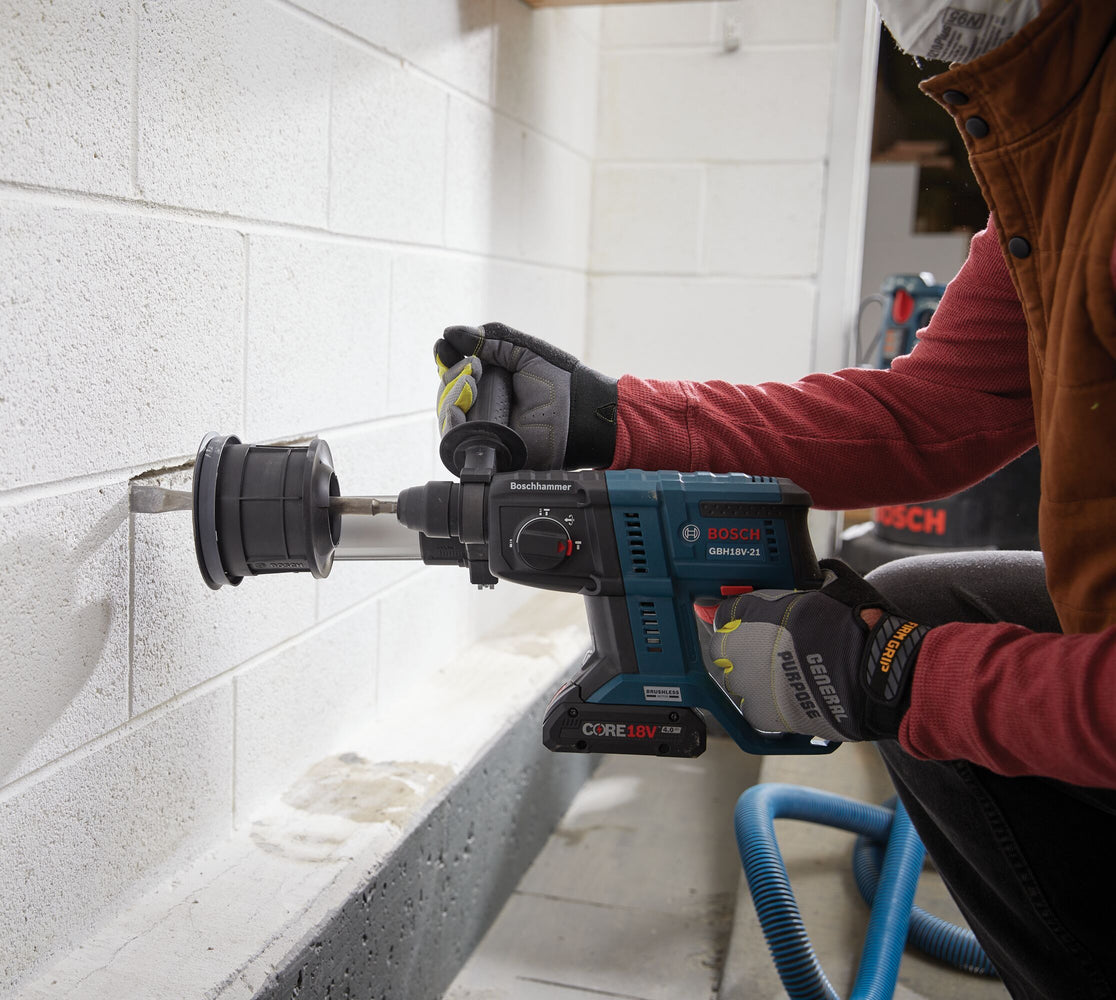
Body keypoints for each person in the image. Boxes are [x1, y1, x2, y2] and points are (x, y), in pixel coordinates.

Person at [433, 2, 1116, 998]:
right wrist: (611, 418)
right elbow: (927, 413)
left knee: (911, 649)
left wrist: (897, 676)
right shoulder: (1057, 152)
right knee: (920, 605)